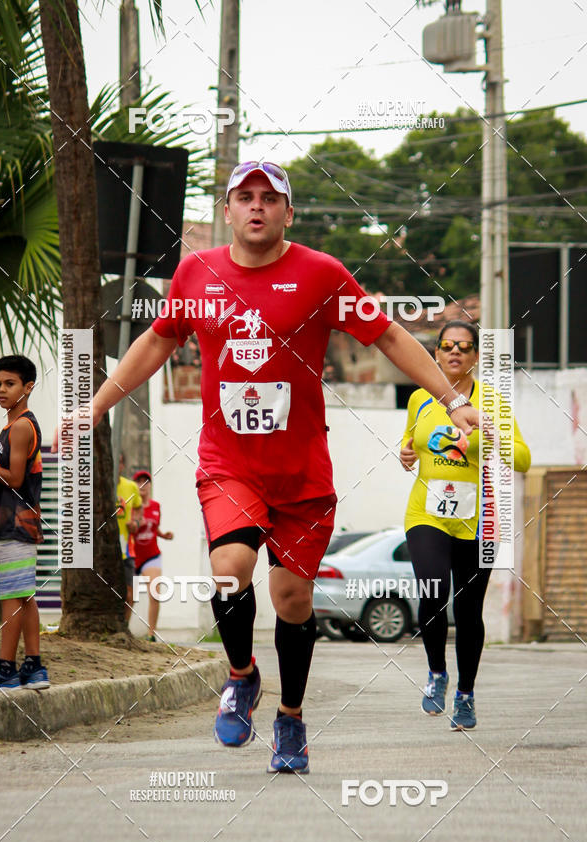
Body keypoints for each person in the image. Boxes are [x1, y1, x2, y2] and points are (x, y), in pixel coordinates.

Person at [78, 160, 479, 773]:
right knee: (228, 568)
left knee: (292, 599)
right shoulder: (197, 272)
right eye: (245, 197)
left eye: (270, 198)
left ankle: (290, 717)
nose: (257, 206)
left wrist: (452, 399)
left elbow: (390, 338)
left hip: (301, 475)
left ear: (288, 212)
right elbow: (158, 339)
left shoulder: (321, 274)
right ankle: (241, 673)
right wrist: (97, 405)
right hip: (229, 464)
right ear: (229, 210)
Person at [400, 321, 531, 730]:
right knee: (433, 589)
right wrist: (404, 453)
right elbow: (410, 443)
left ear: (475, 357)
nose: (455, 352)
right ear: (436, 354)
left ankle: (466, 694)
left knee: (469, 611)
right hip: (427, 514)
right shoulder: (421, 397)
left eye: (465, 347)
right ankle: (437, 674)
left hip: (479, 520)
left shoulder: (492, 401)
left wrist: (493, 433)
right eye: (447, 346)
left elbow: (524, 459)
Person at [0, 355, 49, 690]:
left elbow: (14, 478)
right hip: (16, 524)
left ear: (28, 387)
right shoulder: (13, 425)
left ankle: (6, 669)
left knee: (12, 597)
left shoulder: (22, 426)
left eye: (9, 384)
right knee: (25, 595)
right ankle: (34, 667)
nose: (1, 390)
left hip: (15, 524)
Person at [132, 469, 174, 641]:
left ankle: (151, 634)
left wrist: (164, 535)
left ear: (149, 486)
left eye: (146, 481)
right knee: (129, 596)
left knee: (155, 593)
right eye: (139, 481)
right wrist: (136, 523)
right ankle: (123, 631)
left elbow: (154, 528)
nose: (143, 485)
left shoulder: (156, 506)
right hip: (133, 556)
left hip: (151, 555)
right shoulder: (131, 505)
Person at [116, 452, 142, 622]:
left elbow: (139, 509)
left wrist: (136, 523)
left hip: (126, 549)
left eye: (119, 462)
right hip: (102, 549)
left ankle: (124, 629)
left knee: (129, 594)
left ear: (123, 465)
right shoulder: (98, 486)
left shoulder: (131, 487)